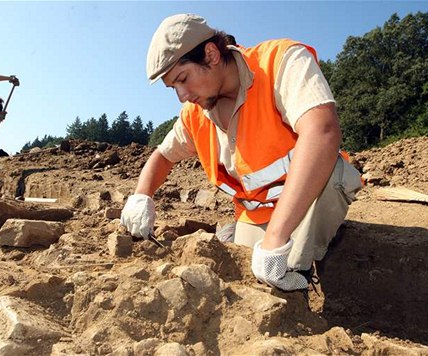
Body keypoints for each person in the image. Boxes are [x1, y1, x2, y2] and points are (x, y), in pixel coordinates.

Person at [120, 14, 363, 292]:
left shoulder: (280, 62)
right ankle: (238, 235)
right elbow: (163, 156)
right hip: (257, 215)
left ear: (210, 54)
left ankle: (300, 272)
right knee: (247, 279)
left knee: (284, 270)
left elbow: (322, 132)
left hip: (312, 198)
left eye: (183, 79)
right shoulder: (195, 115)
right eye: (173, 87)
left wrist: (275, 238)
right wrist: (141, 195)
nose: (182, 95)